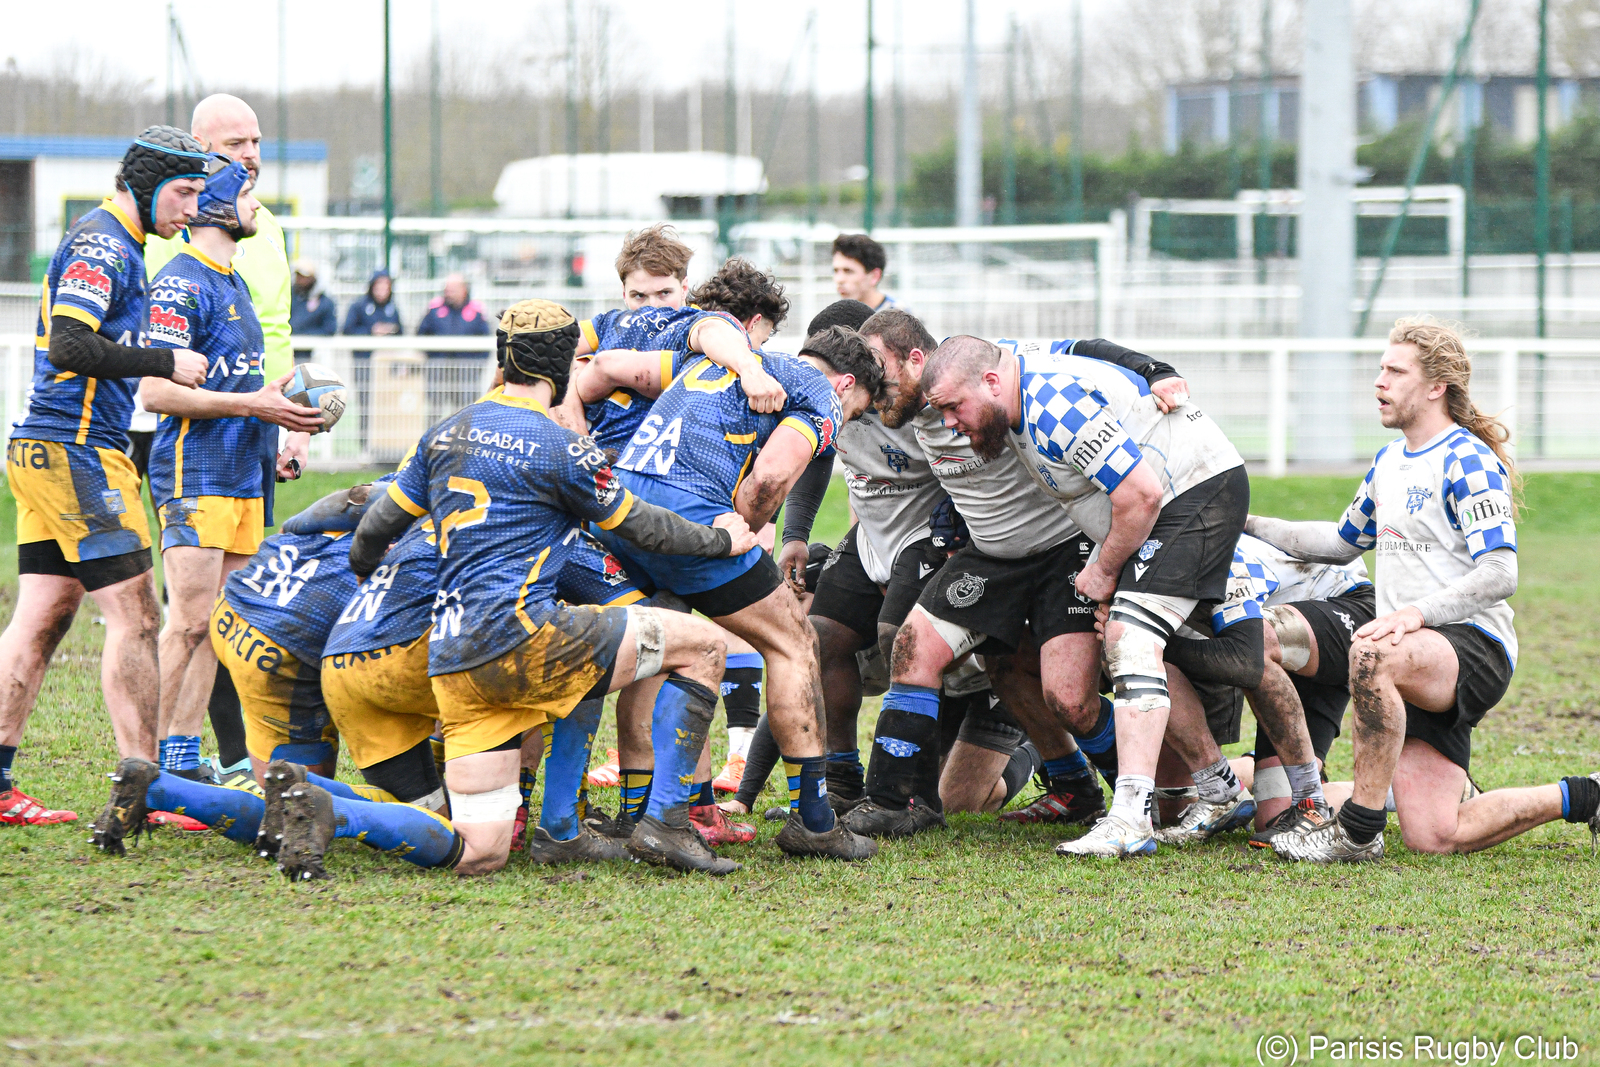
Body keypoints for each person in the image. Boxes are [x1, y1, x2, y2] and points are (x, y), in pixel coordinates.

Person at [347, 300, 765, 877]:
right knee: (703, 646)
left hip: (455, 658)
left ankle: (326, 809)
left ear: (502, 358)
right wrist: (721, 540)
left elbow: (372, 533)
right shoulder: (562, 447)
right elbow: (642, 525)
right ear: (567, 366)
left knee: (478, 852)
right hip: (522, 643)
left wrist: (375, 578)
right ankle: (668, 824)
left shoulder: (446, 432)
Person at [1247, 318, 1600, 861]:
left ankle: (1357, 834)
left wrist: (1415, 614)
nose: (1379, 382)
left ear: (1436, 387)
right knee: (1437, 836)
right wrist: (1246, 522)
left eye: (1394, 370)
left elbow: (1500, 572)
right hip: (1410, 655)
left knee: (1369, 653)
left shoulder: (1467, 458)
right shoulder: (1390, 461)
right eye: (1380, 369)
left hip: (1472, 647)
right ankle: (1585, 795)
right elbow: (1341, 541)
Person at [919, 336, 1251, 858]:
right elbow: (1082, 345)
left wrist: (1103, 568)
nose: (950, 425)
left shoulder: (1052, 410)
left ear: (989, 383)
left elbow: (1141, 495)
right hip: (1162, 505)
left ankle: (1130, 818)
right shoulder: (1004, 367)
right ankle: (1219, 790)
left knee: (1128, 637)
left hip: (1192, 494)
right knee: (1134, 640)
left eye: (952, 408)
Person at [584, 307, 884, 861]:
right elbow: (772, 475)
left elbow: (609, 371)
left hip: (623, 509)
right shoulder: (818, 395)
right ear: (846, 383)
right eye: (857, 409)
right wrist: (741, 529)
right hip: (690, 517)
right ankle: (815, 821)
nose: (848, 421)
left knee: (662, 647)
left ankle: (641, 813)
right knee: (793, 641)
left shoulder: (711, 361)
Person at [0, 127, 210, 827]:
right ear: (143, 185)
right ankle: (145, 791)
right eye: (183, 193)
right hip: (76, 450)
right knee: (138, 616)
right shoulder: (103, 243)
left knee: (43, 616)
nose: (191, 209)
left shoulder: (122, 242)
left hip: (49, 449)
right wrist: (163, 361)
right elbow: (70, 341)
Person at [140, 156, 323, 794]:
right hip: (197, 475)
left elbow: (238, 384)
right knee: (187, 622)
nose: (257, 208)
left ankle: (185, 760)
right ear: (217, 204)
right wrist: (255, 405)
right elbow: (156, 393)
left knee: (218, 627)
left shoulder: (236, 281)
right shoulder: (178, 284)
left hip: (245, 475)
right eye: (247, 196)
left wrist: (286, 412)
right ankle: (149, 771)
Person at [774, 299, 945, 812]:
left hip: (924, 533)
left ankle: (912, 789)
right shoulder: (826, 395)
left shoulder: (917, 399)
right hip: (871, 534)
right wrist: (795, 535)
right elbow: (815, 455)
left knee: (902, 642)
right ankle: (842, 777)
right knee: (821, 639)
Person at [1157, 531, 1372, 845]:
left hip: (1340, 609)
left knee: (1261, 639)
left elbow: (1244, 658)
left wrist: (1157, 647)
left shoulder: (1222, 561)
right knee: (1271, 818)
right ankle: (1244, 772)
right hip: (1276, 656)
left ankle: (1385, 794)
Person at [416, 273, 491, 424]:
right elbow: (421, 334)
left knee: (465, 411)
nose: (449, 292)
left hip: (466, 372)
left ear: (464, 289)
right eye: (447, 289)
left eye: (453, 289)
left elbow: (486, 341)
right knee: (434, 411)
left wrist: (475, 366)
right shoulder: (434, 309)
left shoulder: (476, 311)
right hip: (438, 371)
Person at [342, 268, 403, 452]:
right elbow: (347, 330)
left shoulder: (393, 309)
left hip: (388, 368)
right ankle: (364, 446)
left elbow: (402, 333)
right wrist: (371, 332)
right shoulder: (359, 306)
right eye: (379, 285)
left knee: (388, 405)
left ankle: (387, 445)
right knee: (365, 405)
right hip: (365, 365)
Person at [832, 233, 898, 313]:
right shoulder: (835, 318)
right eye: (836, 271)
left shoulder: (900, 320)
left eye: (848, 271)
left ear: (874, 276)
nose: (839, 279)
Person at [289, 260, 338, 363]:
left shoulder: (324, 302)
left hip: (312, 354)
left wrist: (305, 335)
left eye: (304, 276)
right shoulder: (288, 296)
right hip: (287, 350)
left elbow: (329, 328)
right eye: (299, 275)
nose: (301, 280)